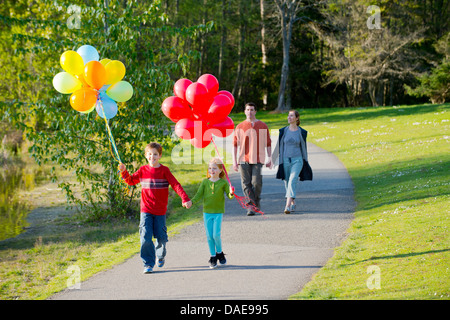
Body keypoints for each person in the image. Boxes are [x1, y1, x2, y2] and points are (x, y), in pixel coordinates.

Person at [118, 142, 192, 274]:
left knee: (161, 237)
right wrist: (124, 171)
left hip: (160, 211)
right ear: (146, 156)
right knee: (145, 236)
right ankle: (148, 263)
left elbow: (175, 185)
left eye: (155, 154)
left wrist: (184, 198)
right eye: (150, 154)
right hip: (146, 210)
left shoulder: (164, 171)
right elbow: (130, 180)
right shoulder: (142, 170)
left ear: (160, 156)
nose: (153, 157)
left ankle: (161, 255)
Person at [190, 157, 234, 268]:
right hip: (207, 212)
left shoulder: (223, 183)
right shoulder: (205, 182)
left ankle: (219, 252)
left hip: (218, 212)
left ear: (220, 170)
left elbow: (229, 197)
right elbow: (198, 195)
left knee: (216, 235)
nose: (211, 170)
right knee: (209, 236)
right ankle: (213, 256)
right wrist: (191, 202)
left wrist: (231, 192)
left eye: (214, 168)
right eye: (210, 168)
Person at [232, 102, 272, 216]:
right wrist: (234, 162)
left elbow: (268, 144)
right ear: (245, 111)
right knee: (246, 183)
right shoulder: (239, 126)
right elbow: (234, 145)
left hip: (258, 159)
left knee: (256, 183)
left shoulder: (263, 125)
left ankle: (256, 201)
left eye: (252, 110)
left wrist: (270, 158)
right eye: (248, 109)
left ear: (255, 111)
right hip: (244, 159)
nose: (249, 112)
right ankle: (250, 206)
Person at [272, 110, 309, 214]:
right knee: (287, 182)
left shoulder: (301, 132)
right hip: (285, 160)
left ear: (297, 118)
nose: (289, 117)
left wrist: (306, 162)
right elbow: (278, 146)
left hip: (298, 160)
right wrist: (272, 159)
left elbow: (304, 148)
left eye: (291, 116)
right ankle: (293, 202)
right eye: (288, 115)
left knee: (292, 180)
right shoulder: (283, 131)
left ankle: (287, 205)